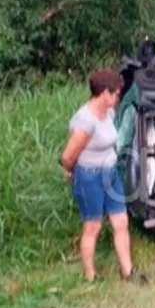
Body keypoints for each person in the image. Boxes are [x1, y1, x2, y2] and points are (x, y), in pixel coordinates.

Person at [60, 68, 135, 282]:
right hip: (90, 176)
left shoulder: (109, 112)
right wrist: (70, 172)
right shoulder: (86, 121)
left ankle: (128, 271)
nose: (118, 96)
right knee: (93, 226)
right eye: (116, 93)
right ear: (104, 93)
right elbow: (68, 156)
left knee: (121, 222)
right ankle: (90, 275)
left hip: (110, 173)